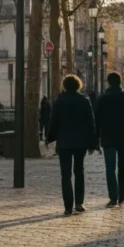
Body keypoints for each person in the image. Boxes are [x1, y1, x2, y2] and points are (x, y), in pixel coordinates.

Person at [47, 74, 98, 216]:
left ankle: (68, 206)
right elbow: (90, 123)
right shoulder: (84, 101)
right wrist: (93, 143)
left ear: (65, 86)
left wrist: (49, 138)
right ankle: (79, 203)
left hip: (64, 142)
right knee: (79, 171)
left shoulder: (59, 101)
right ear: (78, 85)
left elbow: (54, 122)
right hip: (80, 141)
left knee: (65, 174)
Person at [95, 71, 124, 207]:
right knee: (122, 166)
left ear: (108, 82)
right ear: (120, 82)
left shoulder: (103, 98)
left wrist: (95, 139)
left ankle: (113, 197)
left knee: (110, 167)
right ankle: (121, 195)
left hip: (108, 137)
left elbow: (97, 120)